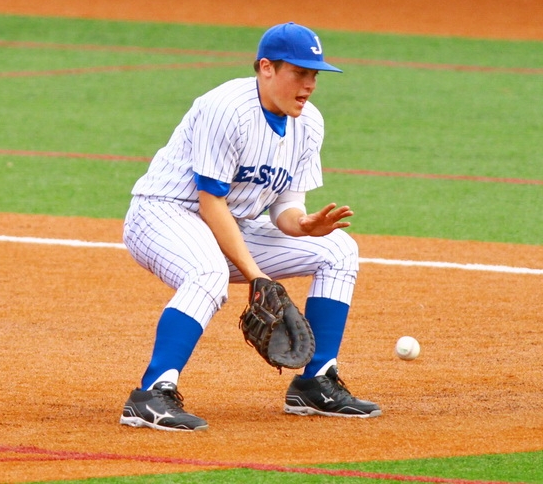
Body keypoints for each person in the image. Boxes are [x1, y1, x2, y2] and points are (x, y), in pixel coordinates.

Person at [119, 22, 381, 432]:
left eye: (314, 75)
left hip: (232, 224)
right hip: (162, 215)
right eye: (300, 72)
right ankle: (151, 394)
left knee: (339, 250)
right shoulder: (226, 108)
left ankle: (315, 383)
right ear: (266, 68)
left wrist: (303, 225)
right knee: (207, 273)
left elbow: (286, 205)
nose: (310, 85)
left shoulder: (308, 123)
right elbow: (210, 201)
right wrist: (257, 275)